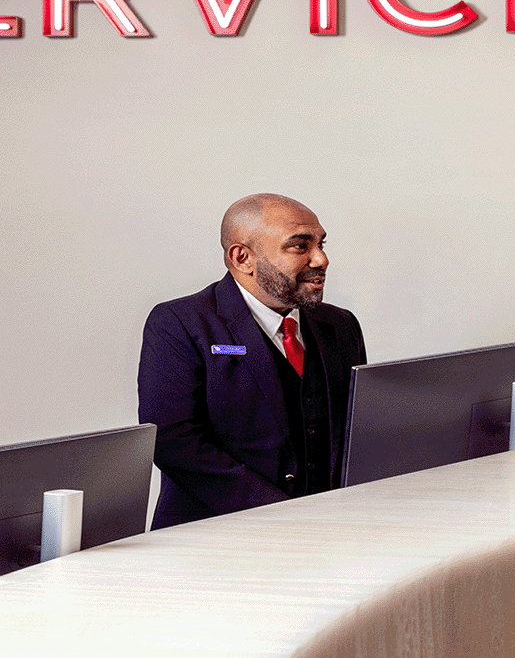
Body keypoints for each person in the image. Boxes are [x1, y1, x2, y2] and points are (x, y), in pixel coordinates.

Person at [138, 193, 368, 529]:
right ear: (242, 257)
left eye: (321, 244)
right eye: (300, 246)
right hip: (211, 540)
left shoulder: (340, 325)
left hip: (329, 532)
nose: (321, 259)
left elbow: (355, 431)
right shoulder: (180, 323)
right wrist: (284, 516)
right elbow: (174, 441)